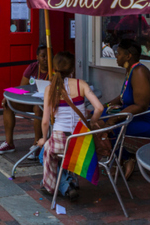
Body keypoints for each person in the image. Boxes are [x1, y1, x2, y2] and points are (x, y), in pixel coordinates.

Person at [35, 52, 104, 200]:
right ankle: (67, 184)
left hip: (61, 141)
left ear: (54, 69)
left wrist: (42, 138)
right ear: (72, 69)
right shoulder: (81, 84)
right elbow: (99, 108)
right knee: (48, 152)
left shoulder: (50, 89)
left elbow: (45, 121)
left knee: (44, 153)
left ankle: (54, 185)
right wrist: (92, 122)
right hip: (82, 141)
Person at [102, 38, 150, 179]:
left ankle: (125, 158)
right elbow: (122, 97)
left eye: (118, 53)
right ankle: (121, 158)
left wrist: (115, 118)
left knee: (109, 126)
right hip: (139, 116)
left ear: (128, 56)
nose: (116, 56)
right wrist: (105, 106)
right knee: (101, 115)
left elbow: (141, 105)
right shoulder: (130, 70)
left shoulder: (139, 72)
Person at [0, 45, 50, 154]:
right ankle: (9, 144)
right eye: (43, 56)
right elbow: (22, 88)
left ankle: (36, 145)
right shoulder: (32, 67)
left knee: (38, 108)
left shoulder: (55, 69)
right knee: (8, 104)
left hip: (47, 105)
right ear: (37, 57)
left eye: (49, 56)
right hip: (32, 101)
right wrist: (7, 97)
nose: (46, 59)